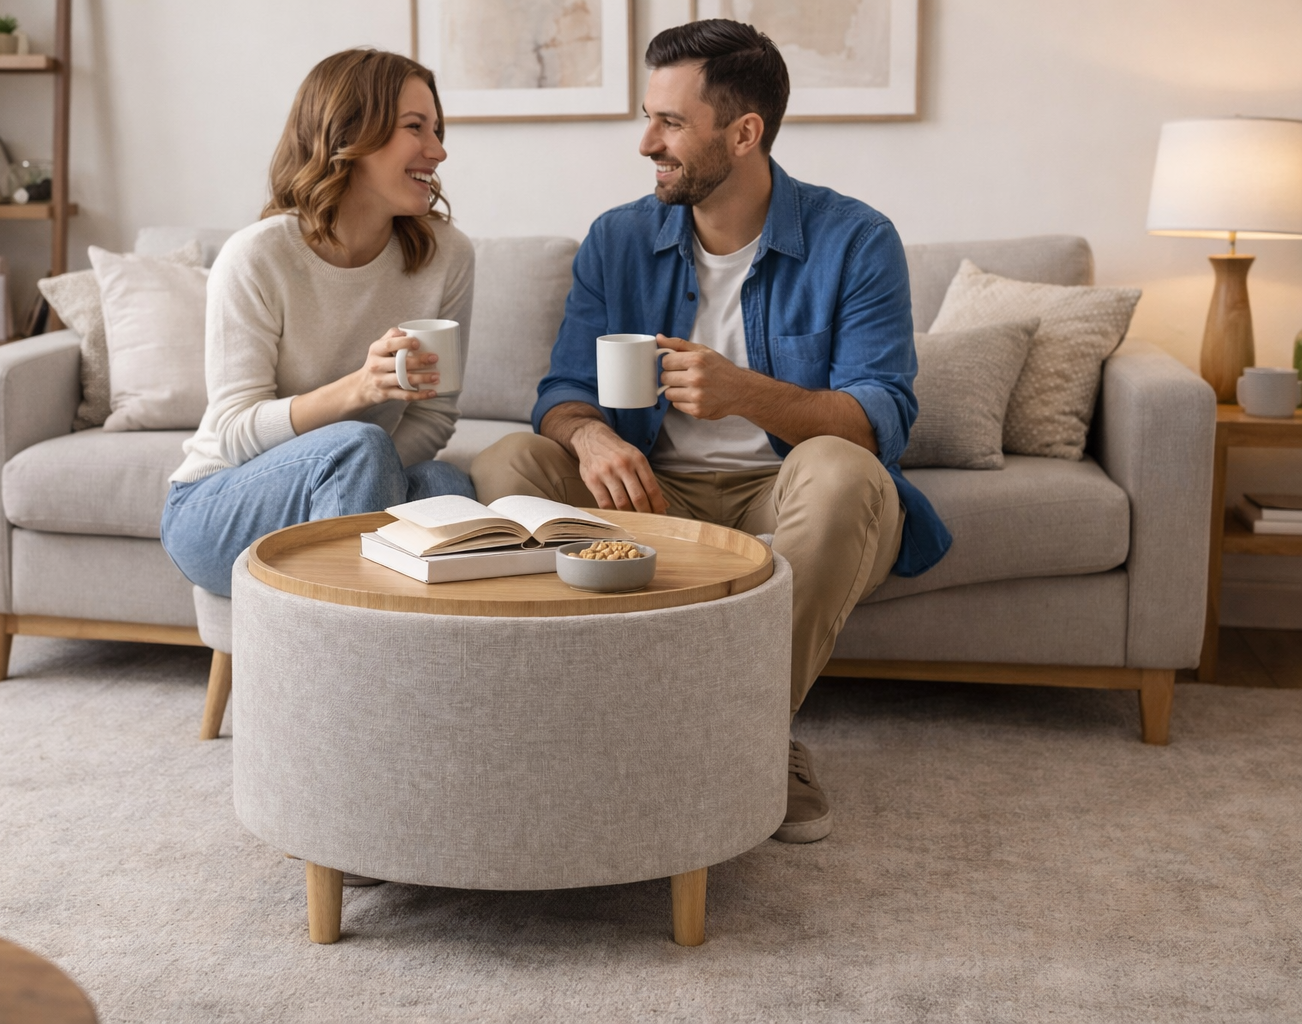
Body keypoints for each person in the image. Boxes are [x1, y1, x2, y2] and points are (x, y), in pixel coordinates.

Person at [470, 20, 952, 844]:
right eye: (648, 116)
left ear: (744, 132)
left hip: (789, 497)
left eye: (669, 123)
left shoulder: (856, 240)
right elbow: (560, 393)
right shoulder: (618, 239)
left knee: (840, 468)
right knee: (507, 457)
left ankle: (743, 739)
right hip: (650, 497)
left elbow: (882, 417)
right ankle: (603, 727)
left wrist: (746, 395)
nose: (645, 141)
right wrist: (590, 438)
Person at [163, 49, 477, 598]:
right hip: (216, 503)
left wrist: (375, 479)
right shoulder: (257, 257)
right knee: (358, 445)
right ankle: (344, 668)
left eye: (437, 129)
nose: (438, 150)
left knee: (445, 484)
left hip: (354, 479)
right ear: (349, 134)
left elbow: (435, 418)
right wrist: (360, 389)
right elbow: (234, 435)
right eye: (415, 128)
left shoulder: (447, 257)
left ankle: (429, 676)